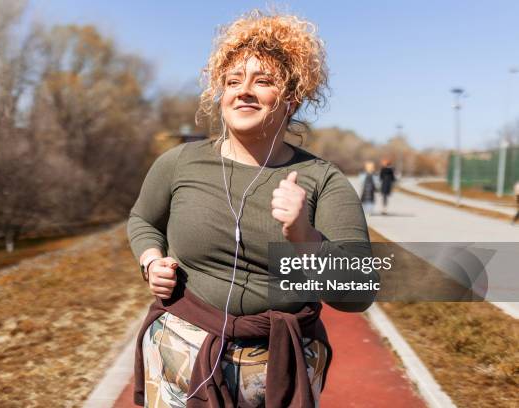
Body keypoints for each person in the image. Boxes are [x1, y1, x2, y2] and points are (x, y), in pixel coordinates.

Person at [128, 10, 377, 407]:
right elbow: (143, 219)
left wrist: (303, 236)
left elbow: (357, 294)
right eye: (232, 81)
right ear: (220, 94)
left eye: (263, 81)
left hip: (279, 370)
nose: (243, 91)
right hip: (180, 352)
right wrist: (150, 259)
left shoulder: (322, 179)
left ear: (291, 99)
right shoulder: (179, 163)